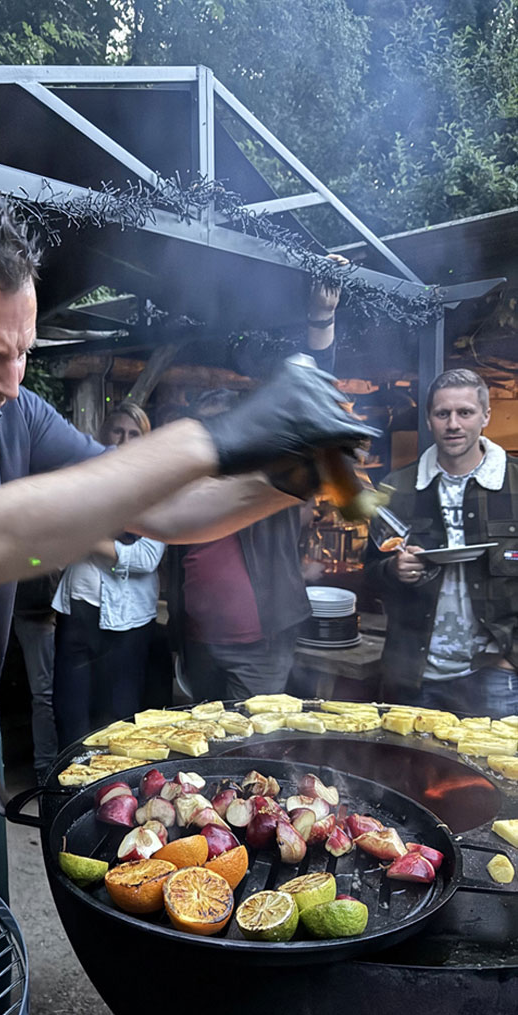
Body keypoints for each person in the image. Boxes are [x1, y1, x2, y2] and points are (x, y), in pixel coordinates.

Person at [0, 178, 369, 900]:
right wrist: (218, 435)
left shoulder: (10, 414)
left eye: (23, 353)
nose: (9, 384)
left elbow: (164, 510)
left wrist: (288, 480)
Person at [168, 267, 345, 701]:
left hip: (260, 644)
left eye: (219, 428)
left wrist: (320, 319)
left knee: (255, 743)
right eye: (204, 428)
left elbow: (313, 405)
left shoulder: (270, 471)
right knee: (203, 751)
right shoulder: (185, 483)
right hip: (199, 641)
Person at [365, 368, 518, 717]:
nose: (453, 424)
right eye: (442, 413)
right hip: (415, 675)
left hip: (493, 672)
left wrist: (512, 659)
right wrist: (393, 570)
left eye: (464, 412)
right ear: (429, 419)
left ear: (485, 416)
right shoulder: (396, 488)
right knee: (412, 772)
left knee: (492, 771)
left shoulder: (514, 484)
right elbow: (369, 574)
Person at [52, 402, 164, 748]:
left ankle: (110, 798)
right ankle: (67, 795)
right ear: (103, 435)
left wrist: (88, 537)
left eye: (134, 434)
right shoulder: (84, 480)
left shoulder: (157, 490)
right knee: (70, 717)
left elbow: (146, 557)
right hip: (78, 609)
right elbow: (56, 536)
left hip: (127, 622)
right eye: (117, 431)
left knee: (116, 721)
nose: (124, 440)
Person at [11, 572, 59, 781]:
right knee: (43, 693)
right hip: (31, 607)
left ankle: (45, 767)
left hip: (31, 606)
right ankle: (45, 767)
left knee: (43, 693)